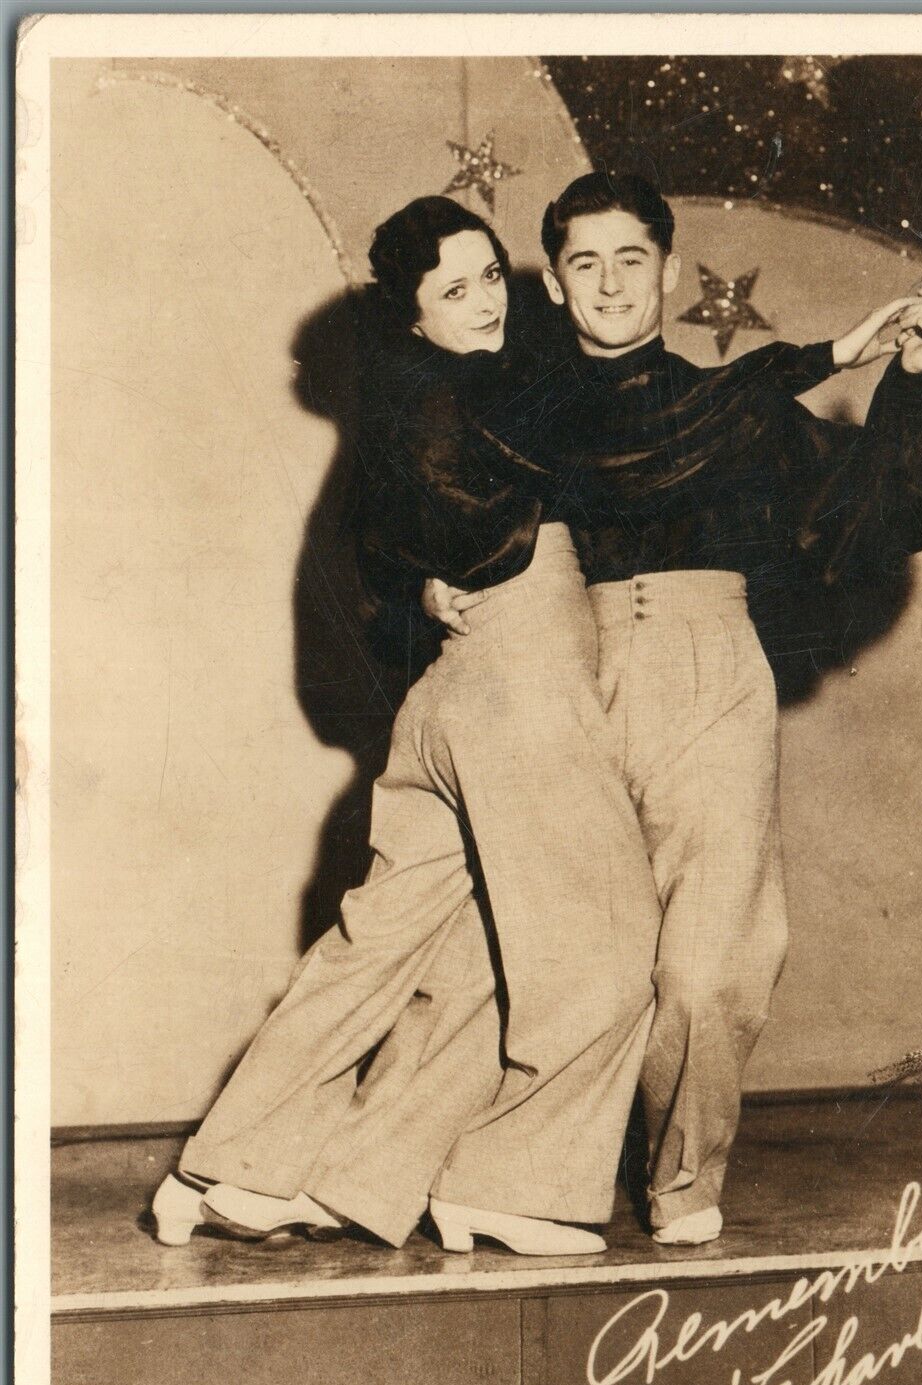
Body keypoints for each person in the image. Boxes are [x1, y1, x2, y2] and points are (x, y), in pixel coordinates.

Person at [410, 172, 922, 1246]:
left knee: (710, 956)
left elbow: (874, 504)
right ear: (555, 284)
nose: (610, 281)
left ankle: (679, 1176)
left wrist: (913, 373)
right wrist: (425, 583)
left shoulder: (734, 410)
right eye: (583, 261)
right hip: (557, 675)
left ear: (669, 272)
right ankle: (508, 1174)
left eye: (631, 257)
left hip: (708, 674)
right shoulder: (520, 414)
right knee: (551, 950)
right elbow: (427, 511)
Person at [150, 195, 661, 1256]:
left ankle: (249, 1169)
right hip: (523, 680)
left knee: (412, 951)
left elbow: (371, 551)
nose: (485, 304)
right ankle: (518, 1187)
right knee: (597, 938)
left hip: (449, 698)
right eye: (454, 289)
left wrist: (416, 588)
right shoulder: (497, 394)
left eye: (490, 279)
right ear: (413, 315)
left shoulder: (405, 409)